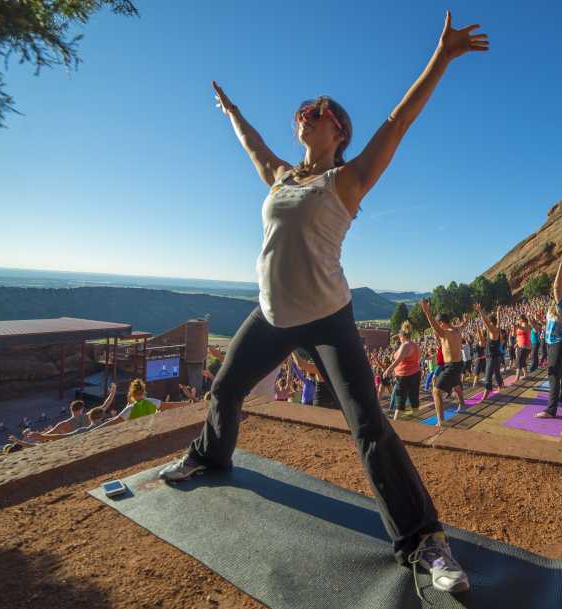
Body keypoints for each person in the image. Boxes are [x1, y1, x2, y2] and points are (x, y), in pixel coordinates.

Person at [159, 14, 487, 592]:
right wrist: (234, 114)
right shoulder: (282, 178)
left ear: (339, 132)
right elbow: (255, 147)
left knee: (367, 426)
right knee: (226, 389)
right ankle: (210, 458)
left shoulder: (349, 179)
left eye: (322, 111)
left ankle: (426, 543)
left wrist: (442, 57)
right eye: (305, 110)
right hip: (270, 314)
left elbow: (399, 119)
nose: (309, 113)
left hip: (329, 318)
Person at [536, 257, 562, 418]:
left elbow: (557, 286)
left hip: (558, 344)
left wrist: (560, 266)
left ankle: (550, 410)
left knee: (553, 376)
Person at [420, 301, 467, 426]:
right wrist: (466, 320)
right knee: (456, 385)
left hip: (452, 366)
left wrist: (427, 312)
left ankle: (441, 422)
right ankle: (462, 404)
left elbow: (434, 326)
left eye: (439, 324)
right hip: (457, 364)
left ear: (442, 323)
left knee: (436, 392)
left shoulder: (446, 333)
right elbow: (464, 324)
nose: (438, 328)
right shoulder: (457, 330)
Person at [384, 321, 422, 420]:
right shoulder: (415, 345)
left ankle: (396, 423)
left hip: (404, 375)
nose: (399, 338)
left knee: (400, 400)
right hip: (415, 373)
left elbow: (398, 360)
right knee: (414, 396)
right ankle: (416, 417)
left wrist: (388, 370)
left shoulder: (405, 345)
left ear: (402, 336)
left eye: (399, 336)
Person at [475, 303, 504, 401]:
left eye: (489, 322)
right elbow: (498, 321)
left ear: (491, 322)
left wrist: (480, 311)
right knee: (497, 373)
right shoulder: (496, 328)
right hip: (494, 356)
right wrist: (498, 312)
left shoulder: (492, 329)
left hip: (491, 357)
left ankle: (485, 396)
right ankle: (500, 387)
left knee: (488, 377)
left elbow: (486, 323)